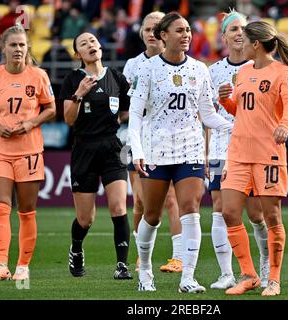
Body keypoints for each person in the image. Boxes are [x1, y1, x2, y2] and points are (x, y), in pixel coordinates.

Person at [128, 12, 233, 293]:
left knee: (191, 210)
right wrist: (136, 150)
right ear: (163, 36)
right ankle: (146, 271)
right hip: (156, 150)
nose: (186, 35)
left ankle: (188, 277)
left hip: (190, 149)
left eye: (188, 30)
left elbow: (207, 114)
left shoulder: (199, 69)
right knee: (151, 215)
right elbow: (135, 116)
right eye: (179, 31)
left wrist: (236, 126)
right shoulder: (147, 70)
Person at [218, 20, 288, 296]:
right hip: (238, 153)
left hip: (268, 153)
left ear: (255, 44)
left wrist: (284, 125)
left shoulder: (284, 73)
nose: (240, 44)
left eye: (243, 40)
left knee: (271, 216)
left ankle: (274, 280)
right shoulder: (243, 73)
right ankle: (249, 275)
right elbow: (242, 110)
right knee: (229, 211)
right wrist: (225, 101)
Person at [0, 24, 56, 281]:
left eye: (22, 45)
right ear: (4, 48)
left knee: (26, 210)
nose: (18, 49)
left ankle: (23, 266)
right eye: (13, 45)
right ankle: (1, 264)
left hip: (29, 151)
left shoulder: (39, 76)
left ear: (28, 48)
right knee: (0, 208)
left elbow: (51, 108)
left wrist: (31, 123)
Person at [60, 32, 132, 280]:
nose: (90, 45)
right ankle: (76, 248)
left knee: (119, 206)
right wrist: (79, 93)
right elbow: (69, 119)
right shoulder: (72, 79)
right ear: (78, 55)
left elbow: (127, 110)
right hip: (84, 149)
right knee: (85, 218)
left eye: (93, 41)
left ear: (100, 46)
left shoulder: (116, 78)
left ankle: (122, 266)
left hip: (113, 147)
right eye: (83, 43)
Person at [206, 9, 269, 290]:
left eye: (243, 28)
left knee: (256, 213)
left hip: (253, 147)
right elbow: (206, 115)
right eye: (233, 29)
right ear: (224, 37)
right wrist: (206, 153)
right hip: (221, 147)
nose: (239, 33)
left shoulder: (262, 66)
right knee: (220, 209)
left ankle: (266, 268)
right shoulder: (213, 71)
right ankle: (227, 273)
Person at [123, 11, 182, 274]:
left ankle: (179, 256)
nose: (151, 33)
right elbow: (130, 107)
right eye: (147, 29)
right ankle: (141, 255)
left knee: (171, 199)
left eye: (155, 28)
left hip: (170, 140)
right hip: (139, 139)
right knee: (140, 202)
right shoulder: (133, 66)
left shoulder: (181, 64)